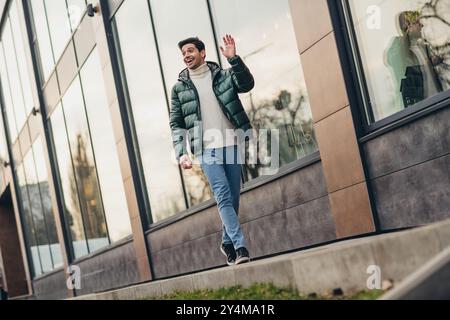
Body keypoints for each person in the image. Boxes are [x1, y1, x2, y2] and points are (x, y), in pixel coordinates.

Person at [169, 35, 255, 265]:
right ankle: (240, 247)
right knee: (223, 195)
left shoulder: (224, 75)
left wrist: (234, 59)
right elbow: (176, 123)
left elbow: (247, 85)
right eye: (183, 53)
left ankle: (226, 241)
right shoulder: (179, 89)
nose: (186, 55)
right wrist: (181, 151)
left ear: (203, 53)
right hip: (206, 149)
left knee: (234, 197)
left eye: (190, 50)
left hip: (230, 143)